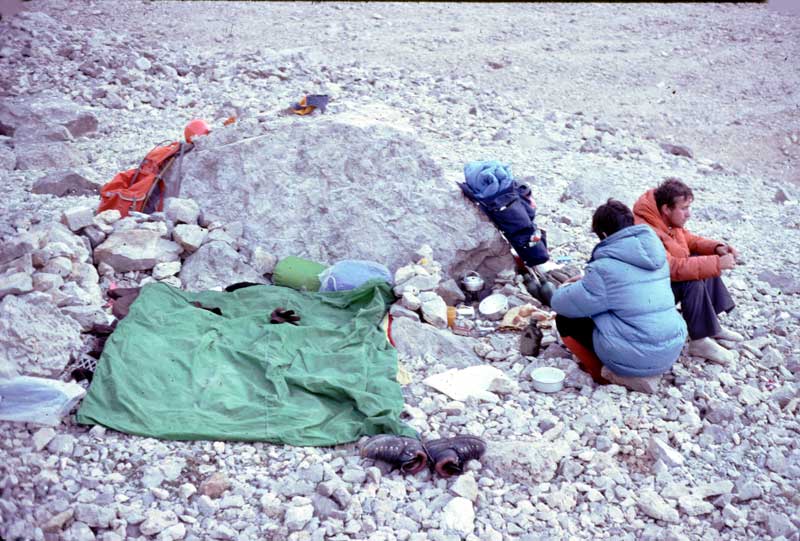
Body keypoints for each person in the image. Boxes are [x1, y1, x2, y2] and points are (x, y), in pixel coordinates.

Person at [551, 199, 687, 392]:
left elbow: (560, 303)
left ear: (604, 234)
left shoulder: (604, 269)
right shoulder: (656, 256)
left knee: (566, 319)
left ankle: (605, 375)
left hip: (637, 359)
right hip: (670, 349)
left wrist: (567, 286)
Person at [633, 178, 743, 364]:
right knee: (692, 276)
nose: (688, 214)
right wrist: (717, 263)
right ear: (667, 209)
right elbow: (671, 268)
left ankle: (711, 327)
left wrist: (716, 248)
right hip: (648, 294)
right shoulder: (646, 230)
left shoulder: (662, 218)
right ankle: (699, 340)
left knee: (699, 261)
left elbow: (688, 239)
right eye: (683, 209)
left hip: (660, 284)